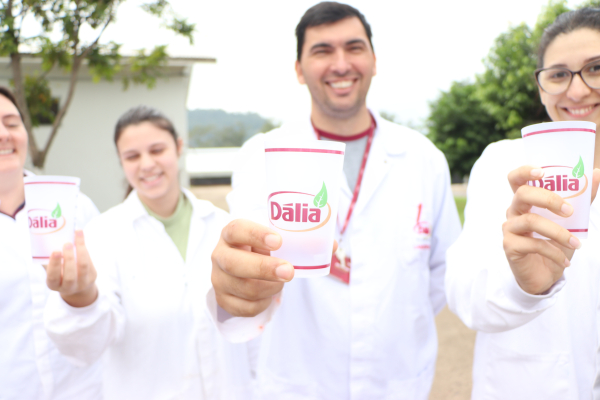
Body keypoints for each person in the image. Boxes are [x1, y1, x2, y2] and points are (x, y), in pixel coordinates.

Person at [209, 2, 462, 399]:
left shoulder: (423, 158)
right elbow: (246, 270)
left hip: (396, 383)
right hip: (300, 384)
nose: (341, 64)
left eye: (354, 48)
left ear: (374, 61)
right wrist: (235, 283)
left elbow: (441, 272)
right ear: (299, 69)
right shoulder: (262, 156)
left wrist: (389, 316)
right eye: (322, 51)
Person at [44, 106, 253, 400]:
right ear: (121, 161)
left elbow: (252, 329)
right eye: (132, 156)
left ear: (178, 147)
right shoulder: (102, 234)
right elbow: (85, 347)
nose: (146, 164)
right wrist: (79, 298)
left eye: (157, 150)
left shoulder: (223, 226)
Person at [446, 7, 600, 399]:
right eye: (558, 74)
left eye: (596, 68)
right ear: (541, 87)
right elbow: (463, 293)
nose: (577, 91)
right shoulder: (502, 162)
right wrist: (522, 286)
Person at [0, 86, 102, 399]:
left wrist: (83, 294)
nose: (3, 134)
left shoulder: (74, 206)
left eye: (12, 123)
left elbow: (111, 300)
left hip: (84, 389)